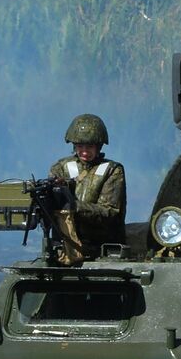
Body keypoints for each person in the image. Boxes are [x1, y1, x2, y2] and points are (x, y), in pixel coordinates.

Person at [47, 113, 127, 265]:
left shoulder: (112, 170)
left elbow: (110, 212)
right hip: (66, 249)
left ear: (99, 146)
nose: (84, 151)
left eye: (89, 146)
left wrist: (73, 206)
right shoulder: (60, 168)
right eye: (80, 146)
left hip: (102, 249)